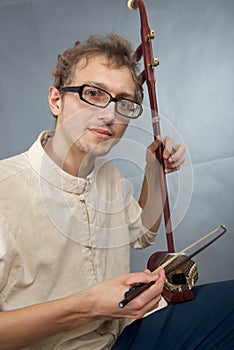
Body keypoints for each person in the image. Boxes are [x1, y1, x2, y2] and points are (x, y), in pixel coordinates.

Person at [0, 33, 233, 350]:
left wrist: (154, 169)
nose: (109, 115)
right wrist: (88, 306)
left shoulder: (108, 175)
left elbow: (141, 234)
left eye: (123, 102)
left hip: (125, 335)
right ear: (56, 100)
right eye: (93, 93)